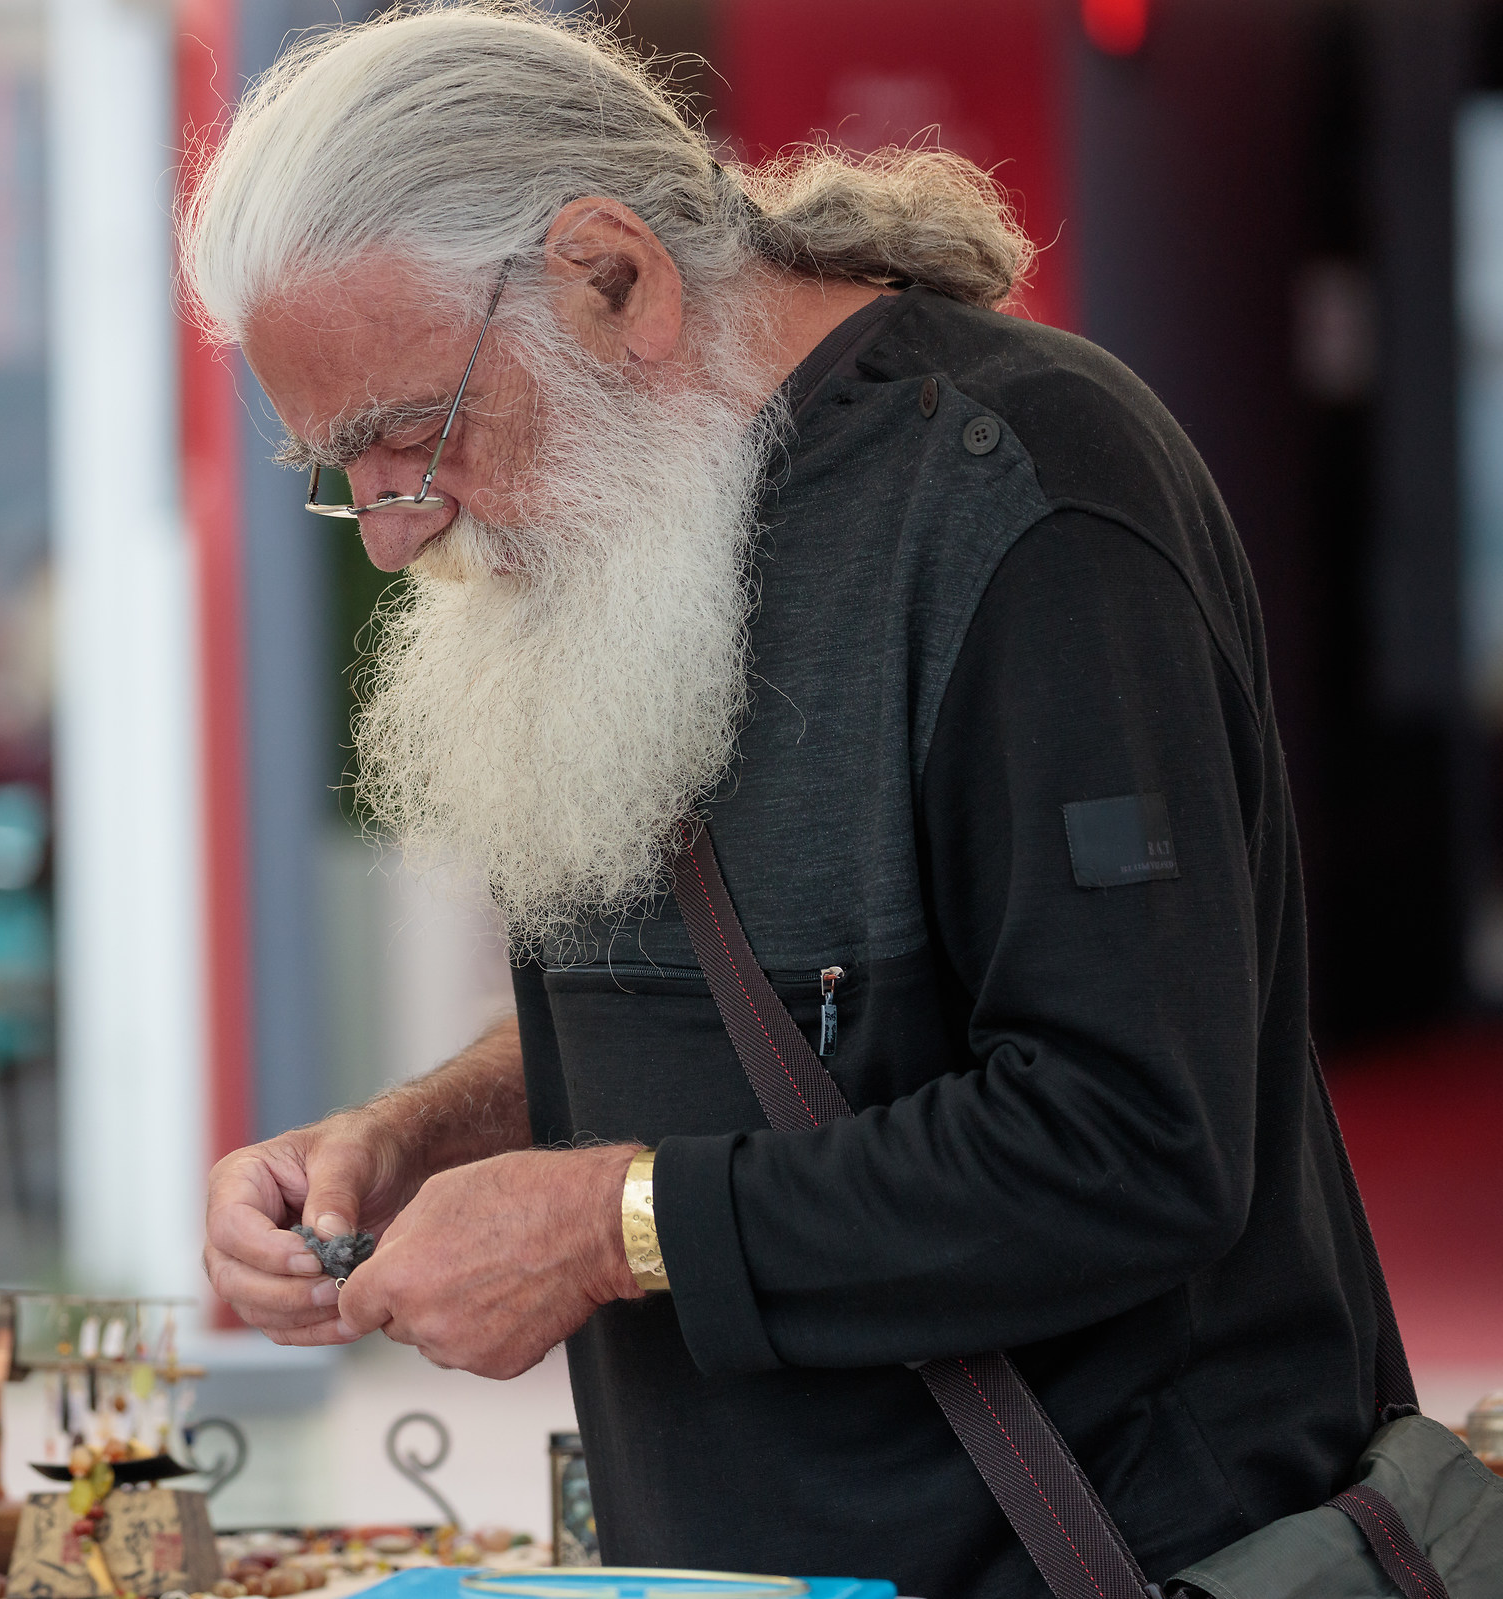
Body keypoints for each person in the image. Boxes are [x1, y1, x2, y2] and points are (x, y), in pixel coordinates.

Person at [185, 7, 1389, 1596]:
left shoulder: (1027, 494)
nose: (398, 538)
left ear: (614, 277)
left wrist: (606, 1222)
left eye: (412, 437)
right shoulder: (634, 520)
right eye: (348, 470)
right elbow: (731, 1018)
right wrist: (410, 1139)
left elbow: (1132, 1140)